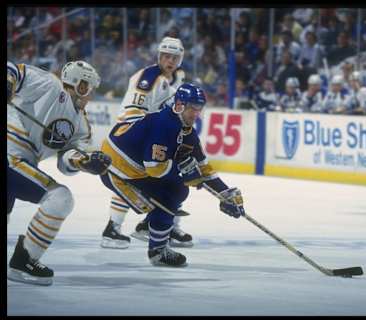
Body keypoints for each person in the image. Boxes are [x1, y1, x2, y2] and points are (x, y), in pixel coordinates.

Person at [98, 83, 245, 266]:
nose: (196, 113)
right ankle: (158, 250)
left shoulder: (187, 131)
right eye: (192, 108)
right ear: (179, 105)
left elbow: (203, 168)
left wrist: (225, 193)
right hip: (116, 168)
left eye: (199, 108)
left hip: (134, 168)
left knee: (177, 191)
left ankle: (150, 225)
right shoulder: (164, 123)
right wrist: (184, 175)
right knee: (171, 194)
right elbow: (154, 167)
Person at [7, 60, 110, 285]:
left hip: (21, 160)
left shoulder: (81, 124)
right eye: (87, 85)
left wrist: (84, 162)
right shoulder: (51, 86)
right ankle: (24, 260)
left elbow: (66, 161)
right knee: (60, 198)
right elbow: (14, 70)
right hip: (11, 152)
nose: (90, 93)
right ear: (76, 83)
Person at [100, 36, 191, 249]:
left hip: (153, 135)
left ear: (180, 59)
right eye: (165, 56)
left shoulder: (177, 78)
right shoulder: (149, 78)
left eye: (174, 57)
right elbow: (133, 112)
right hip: (134, 134)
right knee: (135, 178)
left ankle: (157, 225)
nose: (169, 60)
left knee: (175, 175)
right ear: (159, 56)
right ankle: (116, 228)